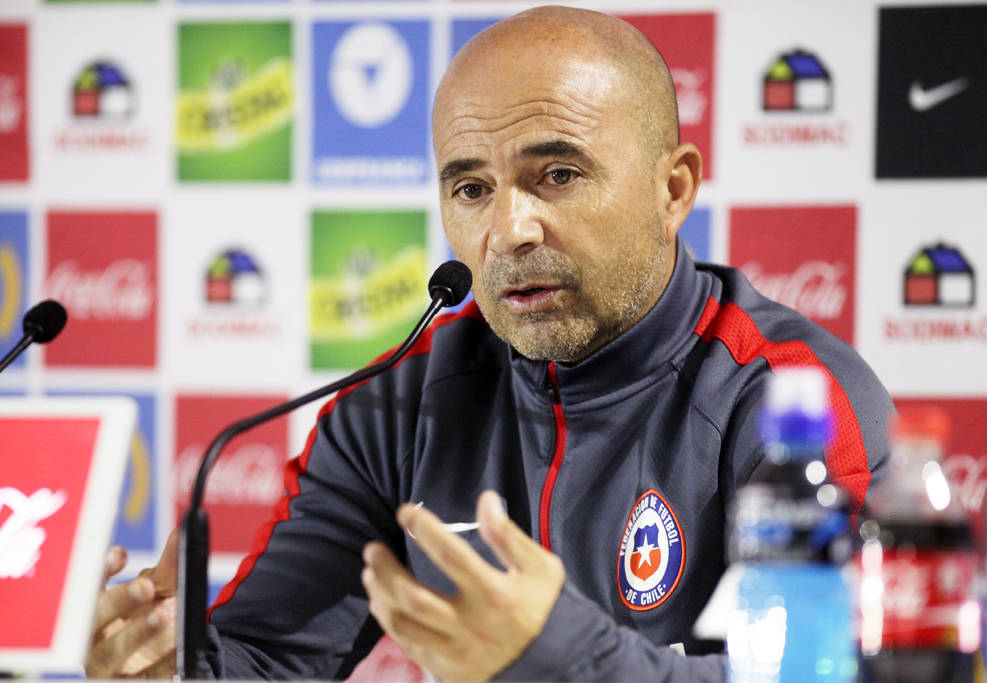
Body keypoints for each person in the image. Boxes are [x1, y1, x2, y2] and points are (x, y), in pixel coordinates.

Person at [86, 6, 892, 681]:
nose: (508, 230)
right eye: (471, 188)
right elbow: (264, 659)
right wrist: (164, 665)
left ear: (672, 187)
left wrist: (564, 654)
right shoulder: (399, 406)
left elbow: (835, 672)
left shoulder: (793, 400)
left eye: (558, 175)